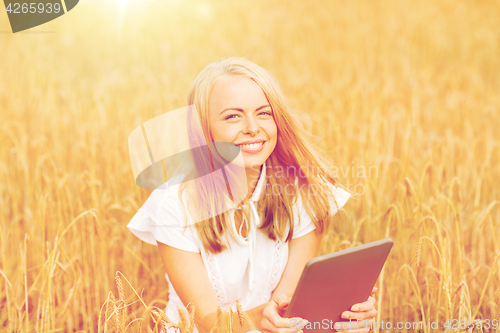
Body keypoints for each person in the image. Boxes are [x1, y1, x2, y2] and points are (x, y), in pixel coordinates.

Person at [127, 57, 377, 333]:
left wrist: (341, 317)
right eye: (233, 116)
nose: (252, 127)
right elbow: (208, 322)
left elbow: (287, 308)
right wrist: (267, 317)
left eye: (264, 113)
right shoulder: (174, 204)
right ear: (202, 129)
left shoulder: (305, 192)